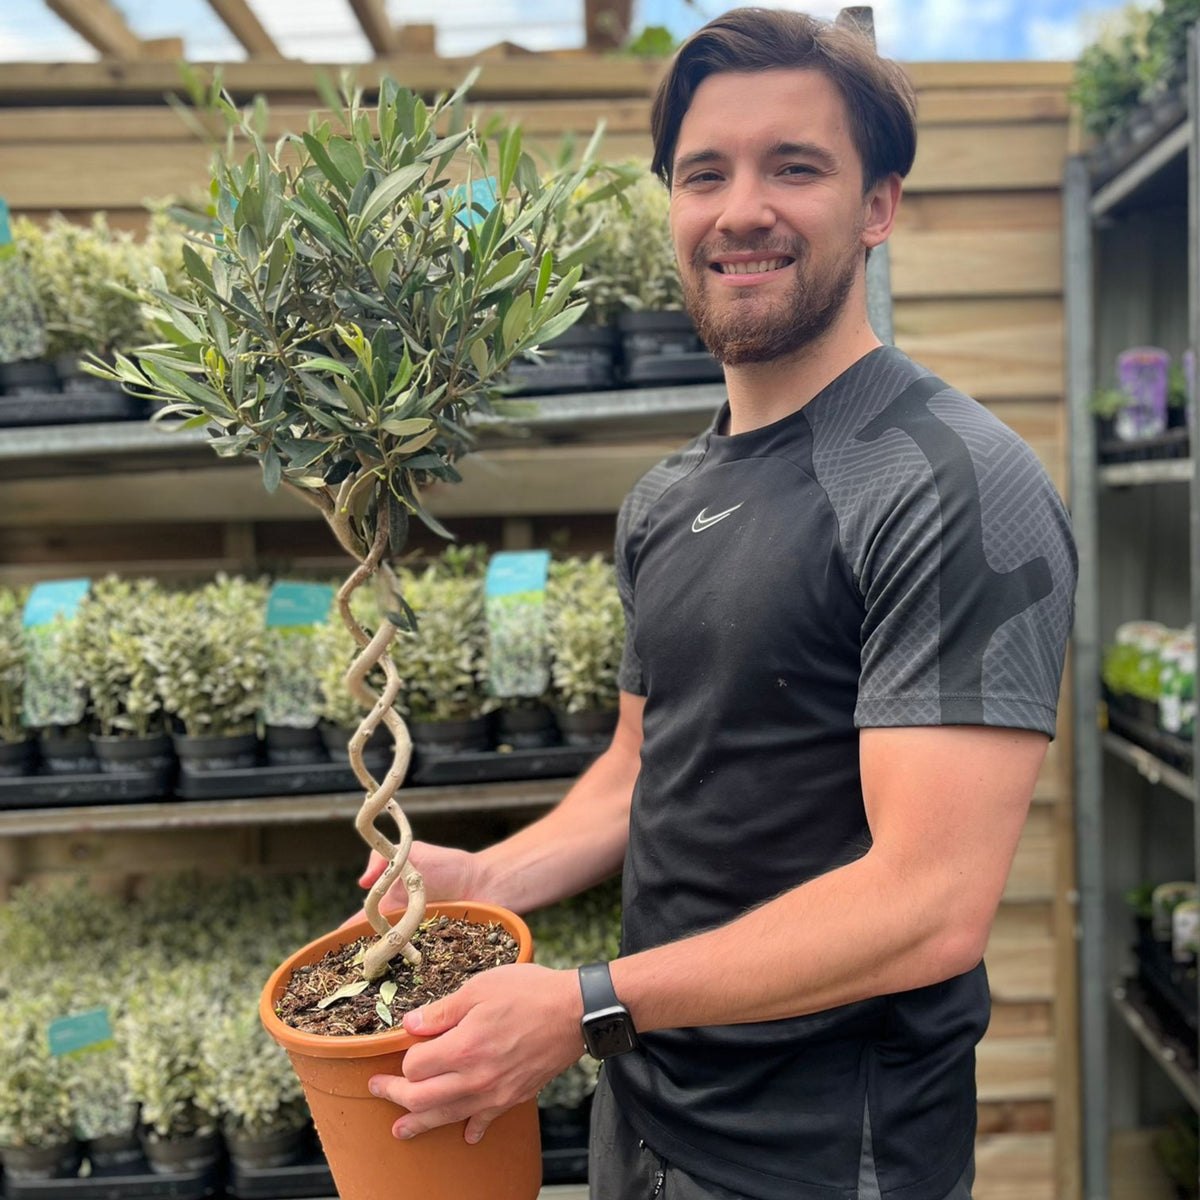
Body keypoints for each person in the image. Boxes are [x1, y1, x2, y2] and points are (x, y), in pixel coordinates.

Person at [357, 9, 1078, 1199]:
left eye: (795, 166)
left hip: (821, 1159)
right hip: (645, 1116)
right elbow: (647, 770)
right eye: (706, 174)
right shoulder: (666, 498)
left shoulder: (951, 480)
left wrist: (588, 1007)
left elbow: (928, 906)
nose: (742, 207)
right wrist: (492, 880)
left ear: (879, 207)